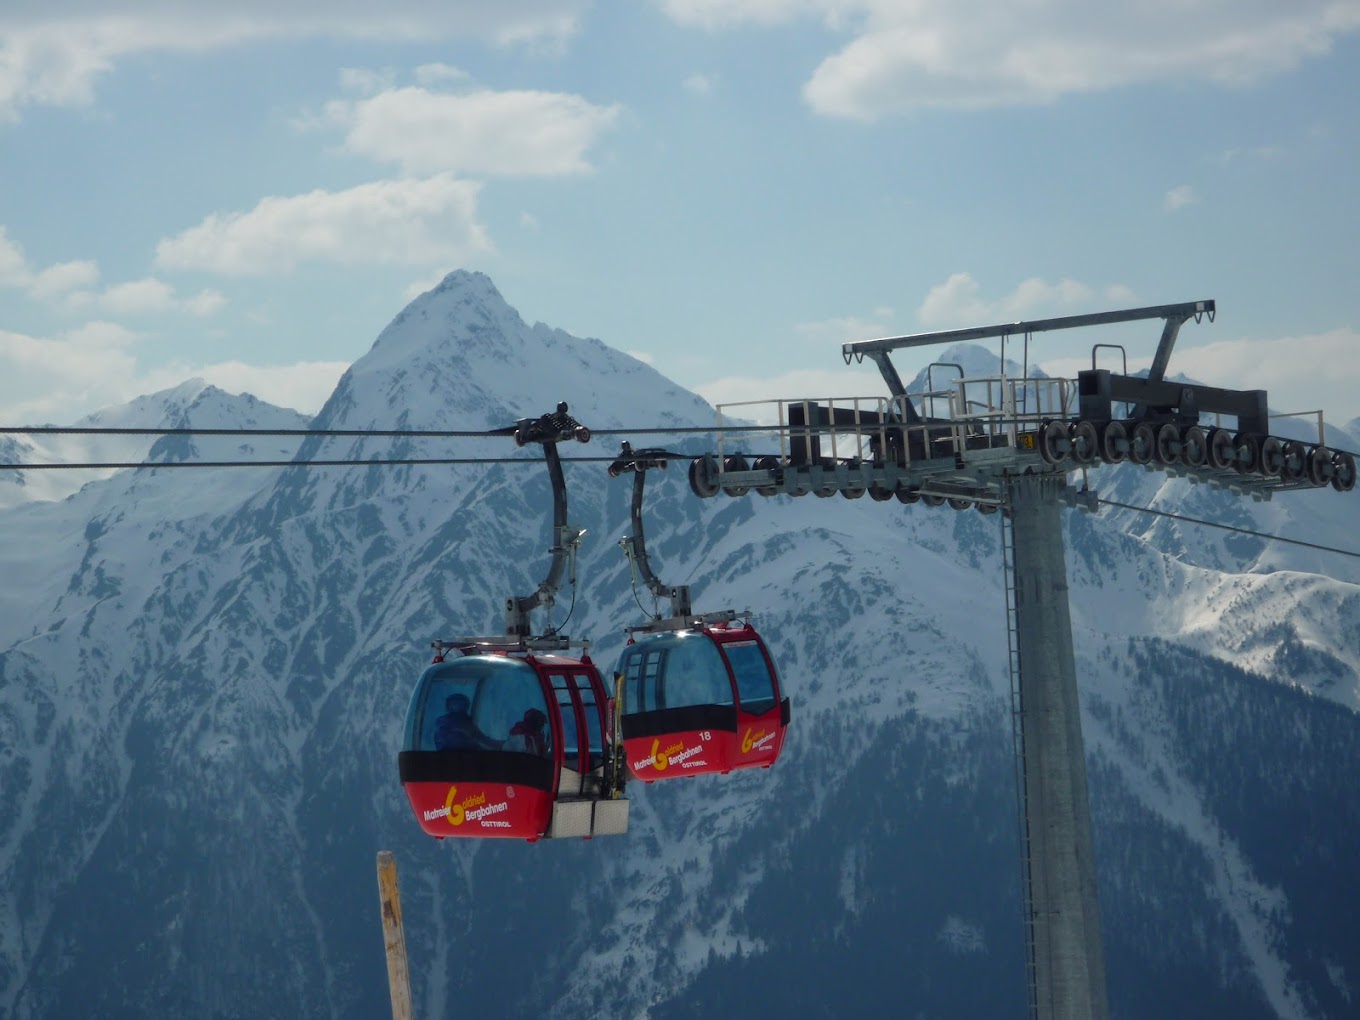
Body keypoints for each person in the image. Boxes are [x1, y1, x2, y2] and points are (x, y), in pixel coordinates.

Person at [433, 693, 499, 751]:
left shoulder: (466, 723)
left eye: (462, 705)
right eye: (456, 705)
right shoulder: (446, 728)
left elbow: (484, 740)